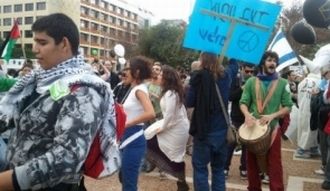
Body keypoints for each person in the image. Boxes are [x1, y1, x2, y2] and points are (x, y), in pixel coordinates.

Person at [0, 13, 115, 190]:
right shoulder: (35, 82)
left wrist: (9, 181)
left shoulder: (83, 89)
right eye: (35, 41)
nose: (35, 49)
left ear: (63, 44)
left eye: (42, 42)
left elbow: (67, 157)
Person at [239, 51, 293, 191]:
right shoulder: (251, 81)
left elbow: (288, 106)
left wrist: (272, 115)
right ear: (263, 62)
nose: (273, 63)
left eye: (275, 61)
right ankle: (254, 188)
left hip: (273, 128)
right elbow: (243, 102)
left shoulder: (283, 83)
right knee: (251, 163)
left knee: (275, 164)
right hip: (253, 128)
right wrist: (246, 115)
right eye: (269, 60)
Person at [186, 52, 238, 191]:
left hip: (204, 132)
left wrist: (195, 74)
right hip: (222, 132)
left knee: (200, 169)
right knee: (218, 169)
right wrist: (231, 51)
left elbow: (189, 102)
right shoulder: (226, 76)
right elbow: (234, 66)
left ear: (202, 60)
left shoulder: (198, 78)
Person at [146, 65, 190, 191]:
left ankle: (181, 183)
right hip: (174, 125)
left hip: (176, 128)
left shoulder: (171, 93)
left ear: (167, 78)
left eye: (160, 75)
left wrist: (162, 128)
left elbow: (170, 115)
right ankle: (180, 182)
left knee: (176, 156)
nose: (158, 76)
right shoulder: (170, 91)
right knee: (148, 136)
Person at [120, 56, 155, 191]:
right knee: (125, 179)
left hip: (134, 140)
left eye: (128, 68)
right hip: (127, 138)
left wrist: (128, 124)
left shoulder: (140, 90)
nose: (125, 72)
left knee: (129, 183)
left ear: (137, 72)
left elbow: (150, 113)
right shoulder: (134, 89)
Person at [224, 63, 255, 179]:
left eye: (252, 72)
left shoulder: (254, 82)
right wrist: (242, 88)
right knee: (231, 142)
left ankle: (244, 168)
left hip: (250, 118)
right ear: (241, 69)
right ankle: (225, 167)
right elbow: (230, 96)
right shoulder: (235, 80)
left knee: (247, 145)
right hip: (236, 117)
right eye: (247, 71)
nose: (249, 74)